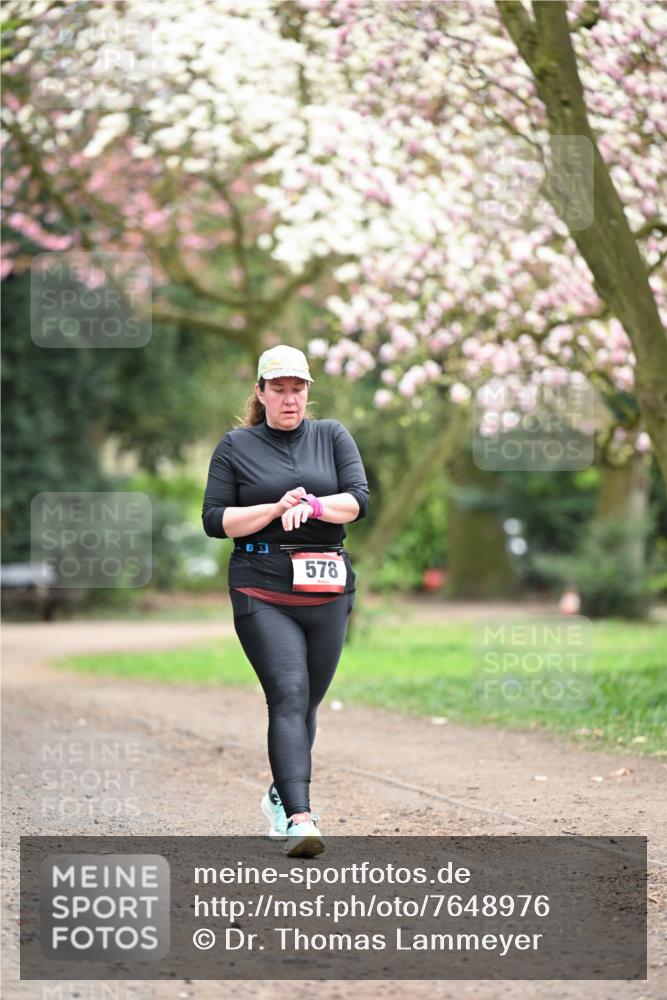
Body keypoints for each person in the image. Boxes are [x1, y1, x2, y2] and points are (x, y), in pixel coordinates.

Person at [202, 345, 369, 857]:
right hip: (261, 587)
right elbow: (215, 520)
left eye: (298, 388)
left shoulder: (332, 436)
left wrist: (316, 504)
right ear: (260, 393)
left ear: (308, 392)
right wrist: (275, 508)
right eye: (279, 388)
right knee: (290, 695)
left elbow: (358, 501)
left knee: (308, 702)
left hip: (326, 587)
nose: (290, 398)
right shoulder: (236, 446)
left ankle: (280, 793)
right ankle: (300, 817)